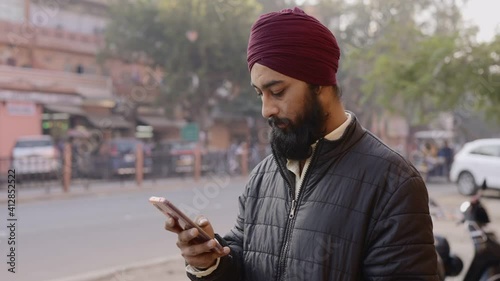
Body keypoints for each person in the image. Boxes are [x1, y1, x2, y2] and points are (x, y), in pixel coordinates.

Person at [165, 7, 439, 280]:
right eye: (260, 94)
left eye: (277, 91)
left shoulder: (394, 183)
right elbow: (246, 264)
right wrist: (210, 263)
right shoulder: (263, 176)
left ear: (319, 83)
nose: (266, 110)